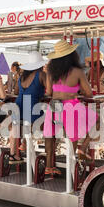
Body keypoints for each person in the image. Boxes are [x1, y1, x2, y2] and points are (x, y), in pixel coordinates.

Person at [44, 40, 98, 175]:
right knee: (97, 121)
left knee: (50, 137)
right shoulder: (78, 72)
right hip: (71, 107)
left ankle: (49, 166)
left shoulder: (51, 72)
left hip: (54, 107)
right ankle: (81, 150)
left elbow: (49, 92)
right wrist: (76, 91)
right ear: (71, 55)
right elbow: (89, 93)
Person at [9, 52, 47, 162]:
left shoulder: (21, 76)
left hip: (19, 106)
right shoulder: (41, 75)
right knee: (50, 127)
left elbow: (16, 91)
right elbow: (50, 90)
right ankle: (26, 143)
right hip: (32, 108)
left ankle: (16, 152)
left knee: (19, 126)